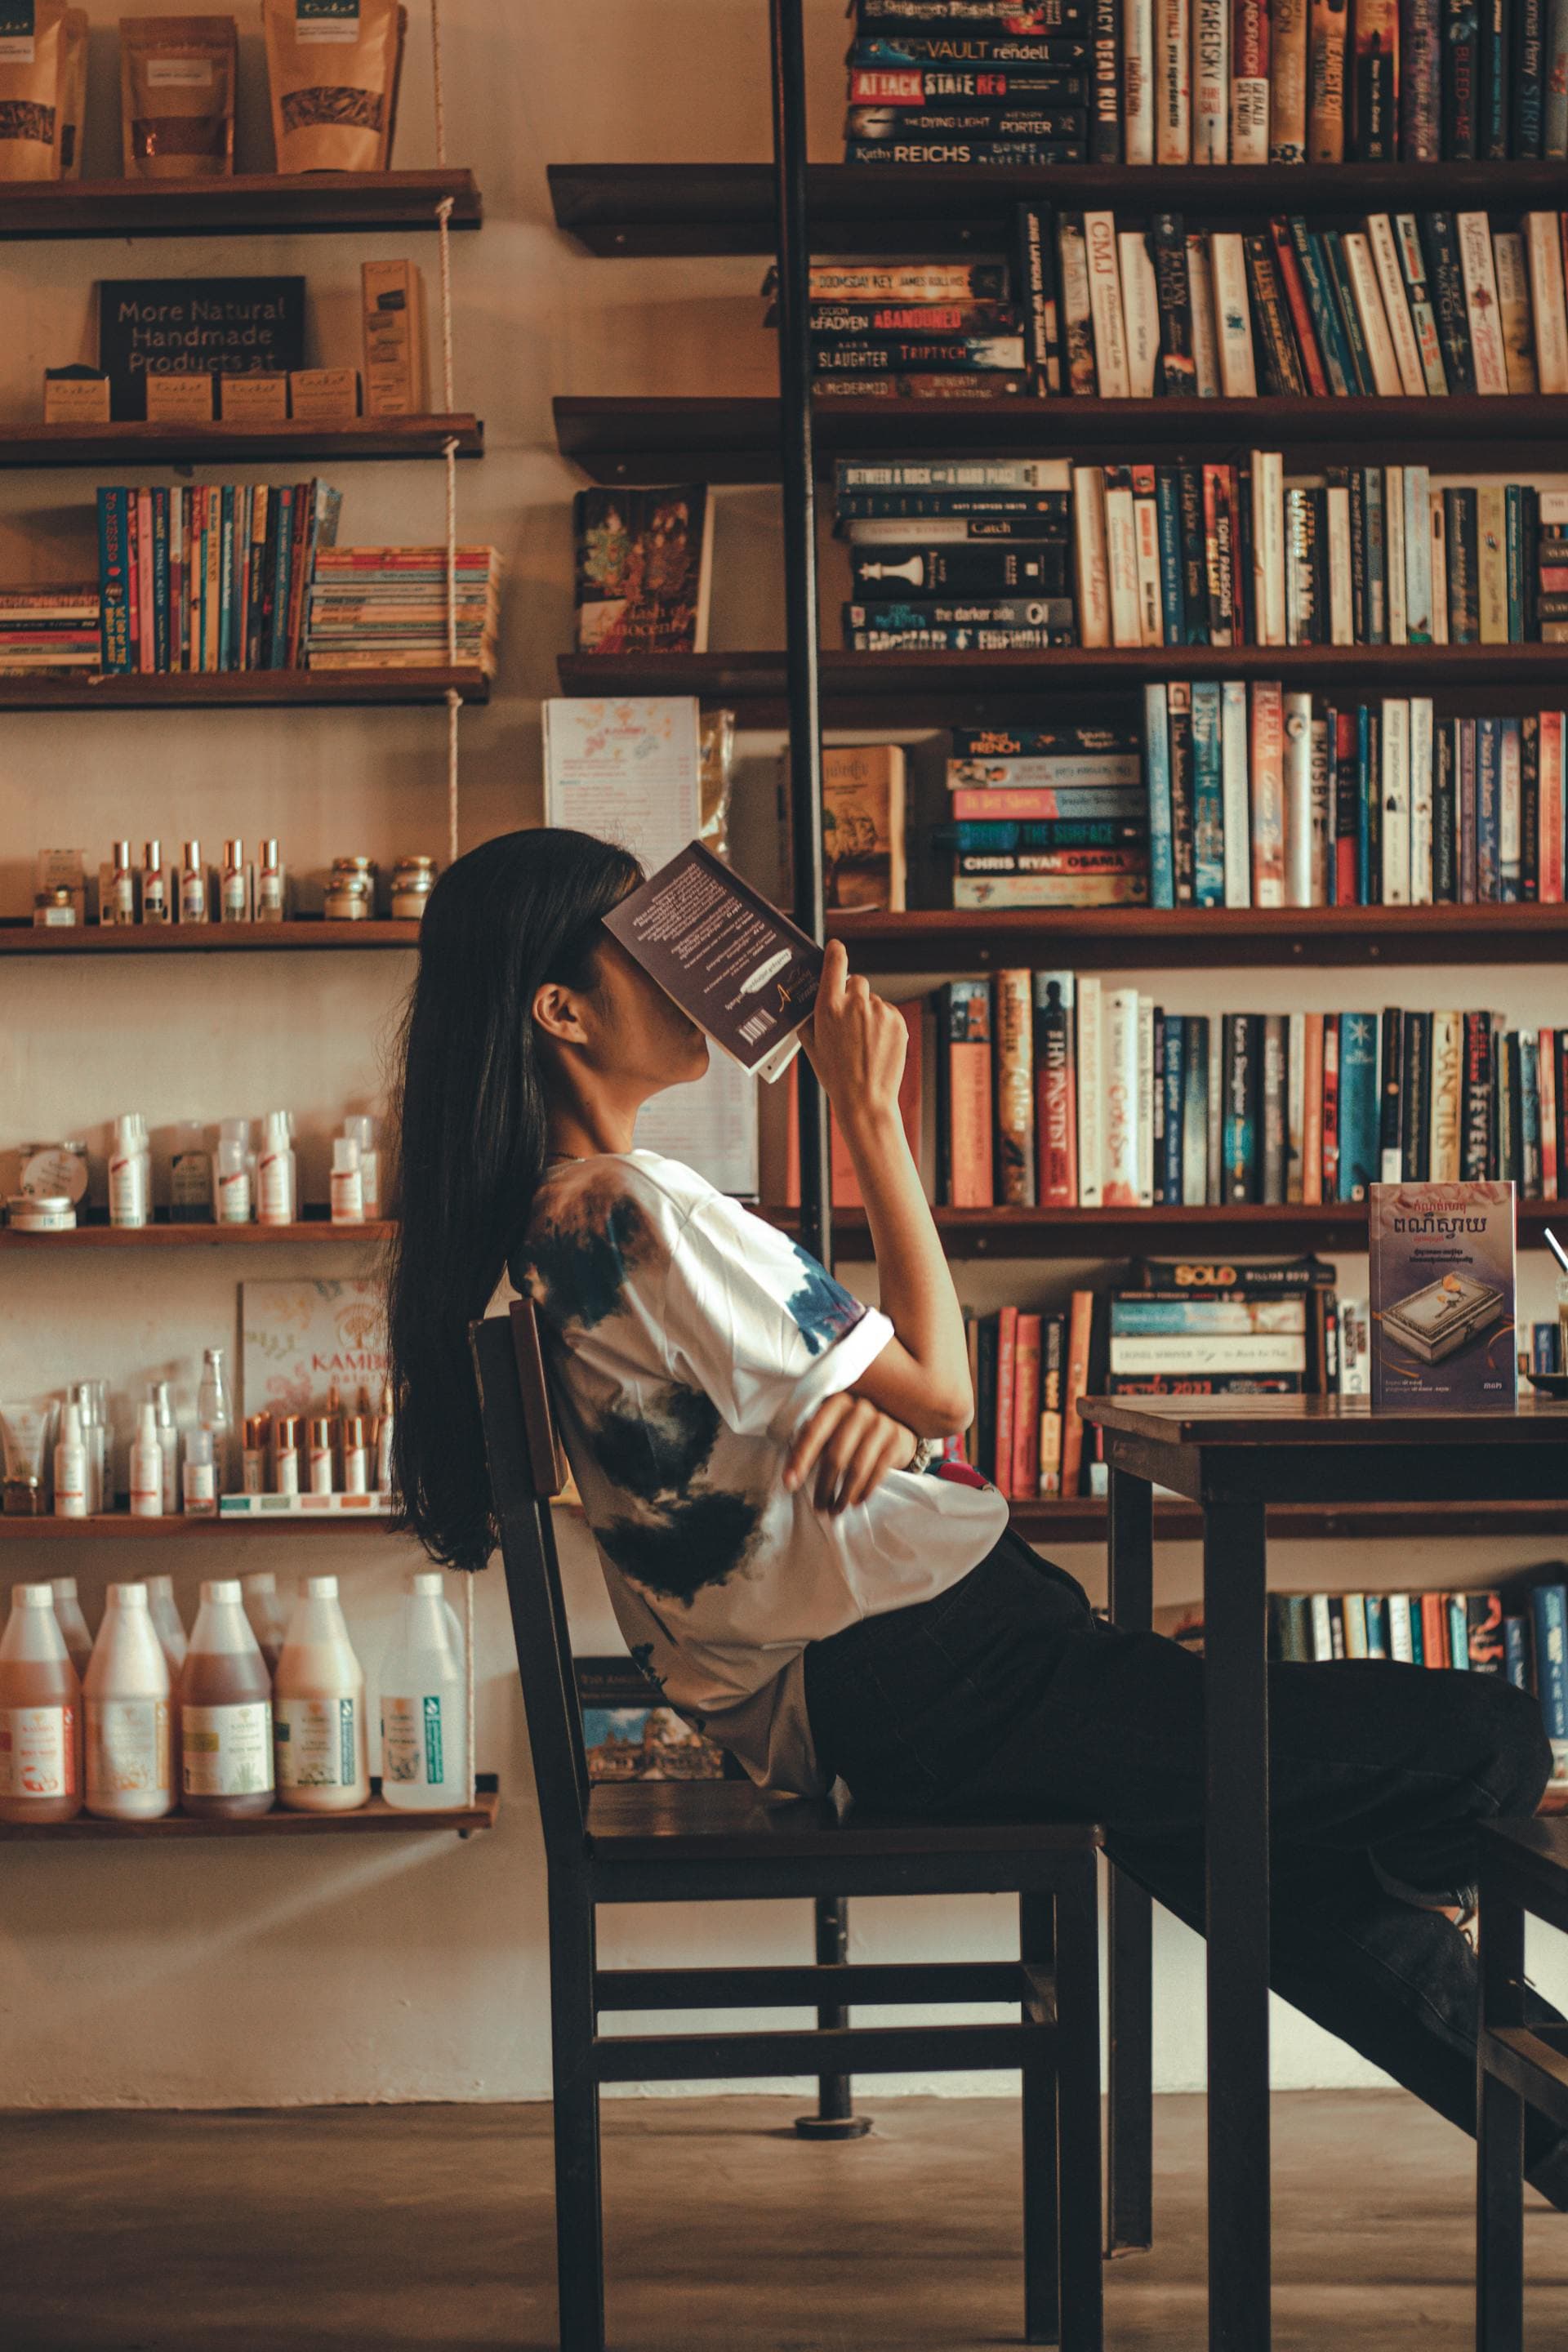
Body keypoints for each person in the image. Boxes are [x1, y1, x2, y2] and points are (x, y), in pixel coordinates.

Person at [388, 825, 1568, 2203]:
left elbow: (883, 1394)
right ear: (563, 1010)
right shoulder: (637, 1205)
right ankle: (1407, 1849)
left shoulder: (567, 1224)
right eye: (643, 940)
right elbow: (944, 1387)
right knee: (1489, 1735)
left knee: (1301, 1901)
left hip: (916, 1679)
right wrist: (869, 1116)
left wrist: (875, 1392)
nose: (688, 966)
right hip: (940, 1676)